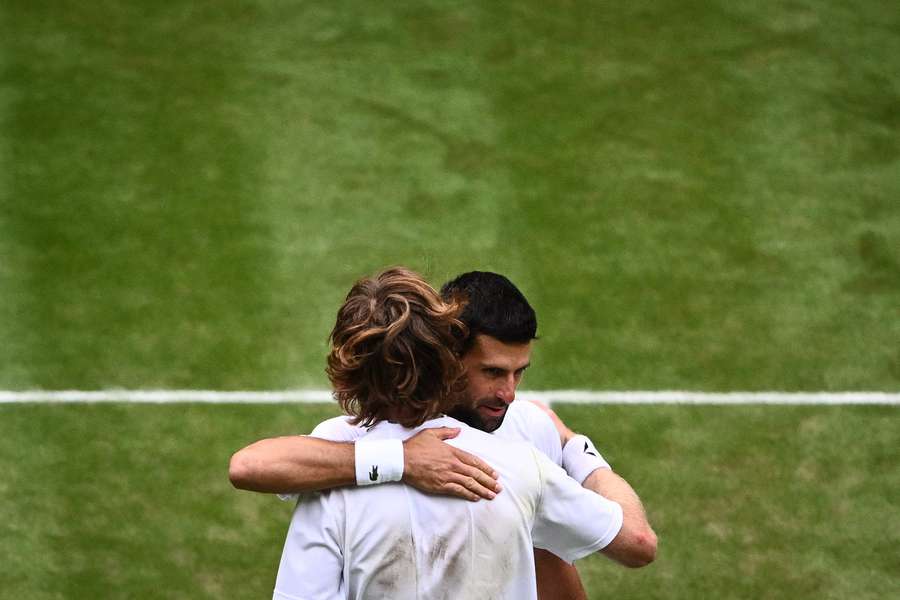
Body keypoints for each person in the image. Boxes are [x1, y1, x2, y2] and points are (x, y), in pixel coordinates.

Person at [231, 271, 657, 598]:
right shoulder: (524, 467)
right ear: (448, 358)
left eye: (518, 373)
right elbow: (635, 543)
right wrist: (404, 461)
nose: (508, 392)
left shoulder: (332, 472)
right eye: (492, 372)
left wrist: (571, 445)